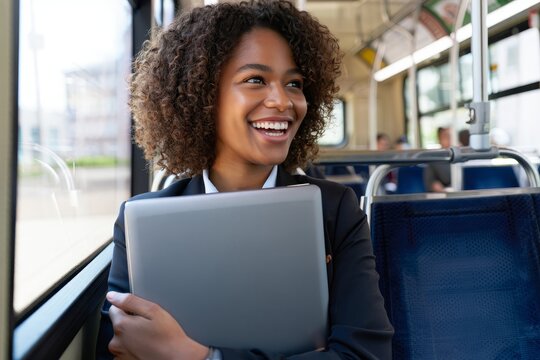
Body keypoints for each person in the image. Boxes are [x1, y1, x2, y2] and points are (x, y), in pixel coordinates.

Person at [96, 1, 394, 359]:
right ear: (203, 96)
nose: (283, 101)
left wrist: (199, 357)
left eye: (294, 83)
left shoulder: (336, 211)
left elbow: (364, 354)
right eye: (255, 80)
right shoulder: (140, 224)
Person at [424, 127, 451, 192]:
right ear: (440, 139)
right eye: (446, 137)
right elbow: (431, 183)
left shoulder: (463, 157)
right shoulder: (434, 159)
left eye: (451, 137)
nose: (450, 140)